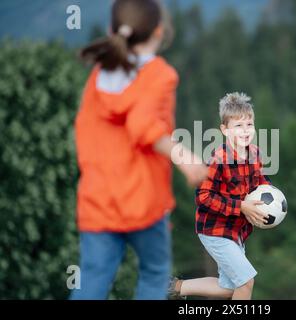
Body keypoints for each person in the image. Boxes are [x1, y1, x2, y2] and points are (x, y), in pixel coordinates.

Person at [71, 0, 207, 300]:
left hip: (98, 201)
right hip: (143, 202)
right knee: (155, 274)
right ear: (159, 32)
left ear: (113, 30)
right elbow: (142, 125)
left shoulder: (98, 76)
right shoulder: (159, 74)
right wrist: (187, 160)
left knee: (92, 279)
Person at [169, 93, 271, 300]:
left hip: (237, 231)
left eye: (249, 124)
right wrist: (241, 206)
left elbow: (259, 181)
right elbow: (203, 197)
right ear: (225, 130)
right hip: (214, 229)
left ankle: (174, 287)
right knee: (246, 281)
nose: (245, 131)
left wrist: (271, 196)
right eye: (238, 126)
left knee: (231, 287)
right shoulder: (218, 159)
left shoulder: (255, 154)